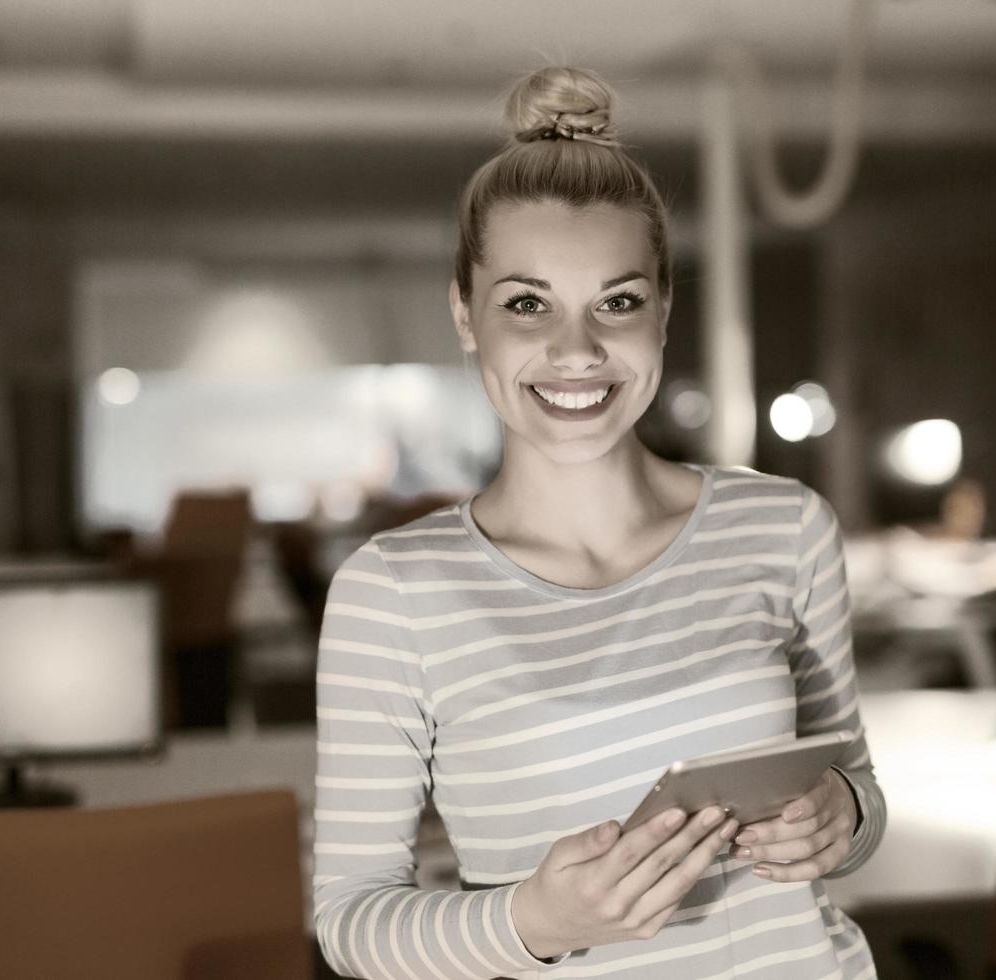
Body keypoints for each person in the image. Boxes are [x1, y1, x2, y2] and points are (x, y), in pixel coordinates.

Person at [311, 65, 886, 980]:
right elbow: (349, 922)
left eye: (616, 303)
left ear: (663, 310)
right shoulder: (395, 594)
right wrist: (531, 920)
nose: (575, 351)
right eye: (527, 304)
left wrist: (843, 817)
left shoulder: (785, 527)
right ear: (466, 314)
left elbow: (854, 793)